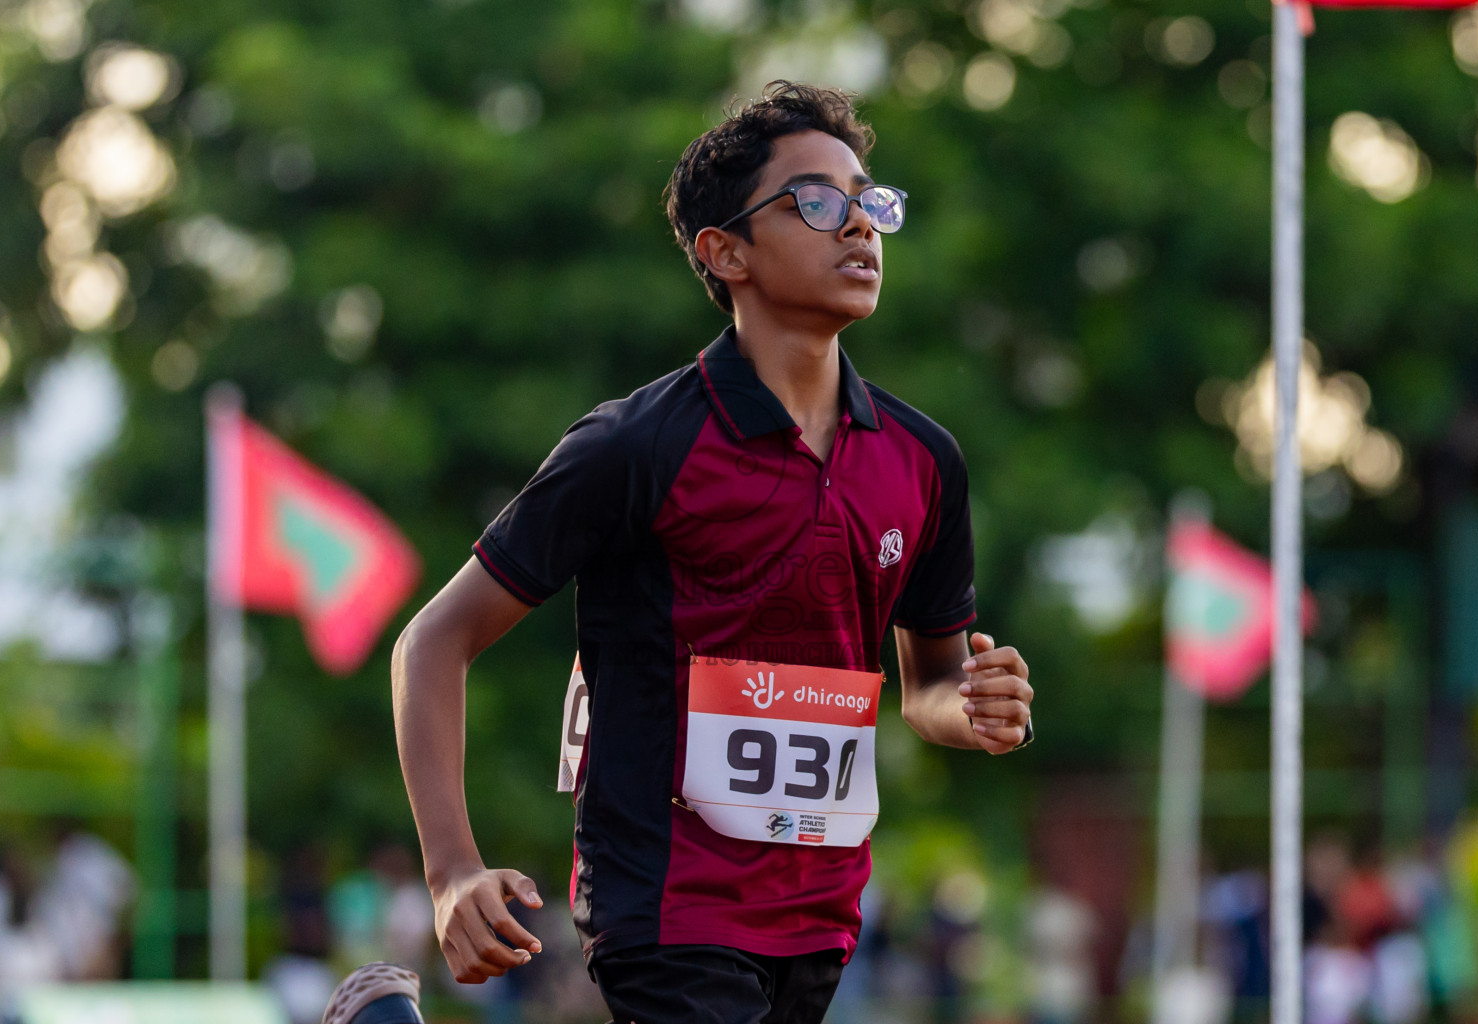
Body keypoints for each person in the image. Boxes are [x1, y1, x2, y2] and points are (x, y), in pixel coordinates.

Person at [345, 80, 1035, 1024]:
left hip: (823, 911)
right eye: (818, 202)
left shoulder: (923, 462)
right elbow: (433, 641)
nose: (860, 227)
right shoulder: (637, 446)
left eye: (870, 201)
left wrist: (978, 706)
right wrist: (452, 869)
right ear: (727, 252)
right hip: (664, 902)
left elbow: (928, 686)